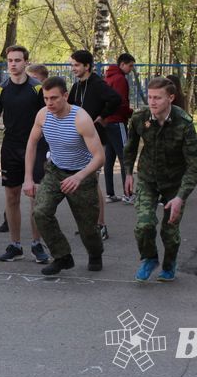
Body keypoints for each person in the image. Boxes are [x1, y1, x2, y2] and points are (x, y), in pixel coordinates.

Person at [24, 76, 105, 275]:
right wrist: (28, 177)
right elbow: (31, 144)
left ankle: (95, 253)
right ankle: (62, 257)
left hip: (82, 174)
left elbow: (99, 157)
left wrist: (79, 177)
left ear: (66, 96)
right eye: (46, 99)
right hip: (55, 170)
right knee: (40, 212)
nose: (49, 103)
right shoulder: (43, 115)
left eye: (54, 98)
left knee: (87, 227)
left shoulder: (81, 119)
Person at [124, 77, 197, 282]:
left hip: (174, 182)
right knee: (144, 225)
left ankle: (169, 265)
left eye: (158, 98)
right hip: (148, 178)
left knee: (169, 231)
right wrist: (129, 173)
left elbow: (194, 167)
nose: (152, 102)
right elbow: (130, 147)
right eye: (150, 97)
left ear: (171, 98)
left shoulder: (184, 123)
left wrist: (181, 197)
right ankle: (149, 258)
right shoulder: (140, 118)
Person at [0, 45, 50, 264]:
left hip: (35, 148)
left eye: (17, 60)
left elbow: (48, 119)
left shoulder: (37, 89)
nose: (13, 64)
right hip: (10, 149)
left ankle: (36, 243)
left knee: (35, 197)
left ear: (26, 63)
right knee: (11, 197)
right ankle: (15, 245)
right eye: (10, 61)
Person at [68, 49, 121, 240]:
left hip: (95, 139)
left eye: (76, 65)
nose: (73, 68)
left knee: (92, 182)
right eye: (72, 65)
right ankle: (87, 223)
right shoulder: (77, 86)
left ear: (86, 66)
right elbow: (71, 107)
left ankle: (101, 225)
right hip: (78, 140)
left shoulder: (98, 84)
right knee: (82, 184)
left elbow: (116, 99)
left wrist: (102, 116)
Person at [103, 53, 135, 204]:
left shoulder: (108, 77)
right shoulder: (120, 79)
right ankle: (128, 194)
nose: (131, 69)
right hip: (118, 121)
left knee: (109, 159)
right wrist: (130, 113)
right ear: (122, 64)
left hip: (107, 122)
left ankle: (110, 193)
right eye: (130, 65)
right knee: (125, 157)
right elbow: (121, 102)